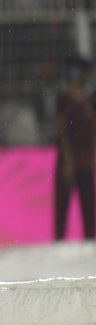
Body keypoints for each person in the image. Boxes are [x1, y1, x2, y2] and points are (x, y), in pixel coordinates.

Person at [54, 55, 96, 241]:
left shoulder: (91, 98)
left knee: (88, 209)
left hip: (85, 160)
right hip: (68, 161)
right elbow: (61, 131)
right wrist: (68, 160)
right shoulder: (63, 98)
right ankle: (59, 242)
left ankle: (89, 244)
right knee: (62, 207)